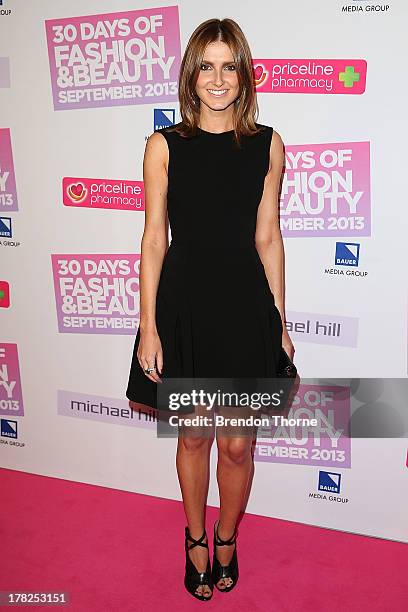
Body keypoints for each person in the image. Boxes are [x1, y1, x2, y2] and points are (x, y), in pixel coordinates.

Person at [126, 17, 295, 601]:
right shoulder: (165, 146)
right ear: (190, 74)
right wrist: (148, 326)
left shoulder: (268, 144)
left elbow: (268, 237)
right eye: (206, 65)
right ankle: (195, 538)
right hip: (187, 306)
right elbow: (154, 240)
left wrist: (279, 322)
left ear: (243, 75)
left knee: (238, 443)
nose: (217, 79)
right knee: (195, 437)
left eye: (229, 66)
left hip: (246, 307)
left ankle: (228, 538)